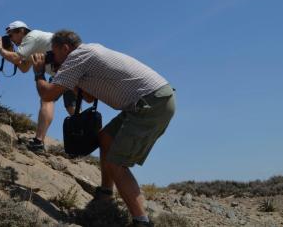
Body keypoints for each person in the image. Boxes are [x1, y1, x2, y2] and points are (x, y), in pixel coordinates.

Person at [31, 30, 176, 227]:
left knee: (117, 163)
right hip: (149, 100)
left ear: (65, 48)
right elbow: (89, 97)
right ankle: (106, 193)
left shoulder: (77, 56)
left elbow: (47, 95)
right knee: (106, 137)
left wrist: (39, 72)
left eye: (53, 53)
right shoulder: (87, 53)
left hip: (150, 104)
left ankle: (142, 221)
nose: (52, 57)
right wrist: (61, 73)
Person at [0, 21, 76, 152]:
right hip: (70, 68)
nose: (12, 40)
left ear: (21, 31)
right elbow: (24, 67)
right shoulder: (33, 45)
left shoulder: (31, 36)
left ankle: (38, 142)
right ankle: (84, 139)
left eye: (11, 35)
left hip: (64, 69)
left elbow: (15, 58)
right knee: (71, 107)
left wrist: (0, 49)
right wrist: (9, 51)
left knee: (47, 99)